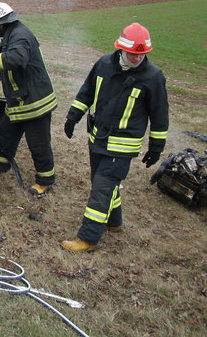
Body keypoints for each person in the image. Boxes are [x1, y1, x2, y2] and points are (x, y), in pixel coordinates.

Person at [61, 22, 169, 252]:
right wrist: (73, 117)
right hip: (98, 138)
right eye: (132, 53)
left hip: (122, 146)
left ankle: (88, 238)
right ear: (121, 48)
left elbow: (160, 115)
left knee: (102, 188)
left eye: (141, 55)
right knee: (104, 184)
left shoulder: (153, 77)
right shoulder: (103, 64)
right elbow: (86, 92)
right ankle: (114, 222)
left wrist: (156, 147)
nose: (137, 58)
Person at [0, 2, 57, 197]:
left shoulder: (20, 35)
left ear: (1, 22)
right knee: (6, 135)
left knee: (38, 144)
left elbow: (15, 59)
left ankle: (45, 181)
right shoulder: (12, 34)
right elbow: (6, 63)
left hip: (35, 102)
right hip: (18, 102)